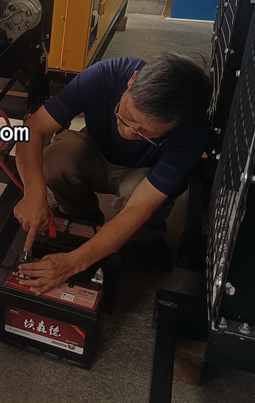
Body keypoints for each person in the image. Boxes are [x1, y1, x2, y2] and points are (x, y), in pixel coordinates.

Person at [13, 53, 212, 293]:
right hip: (96, 149)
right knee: (53, 160)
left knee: (138, 201)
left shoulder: (192, 132)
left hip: (142, 173)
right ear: (133, 80)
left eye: (145, 133)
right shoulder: (105, 75)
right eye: (126, 116)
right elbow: (33, 129)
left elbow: (138, 207)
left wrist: (73, 263)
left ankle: (146, 239)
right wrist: (34, 192)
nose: (128, 133)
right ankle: (82, 215)